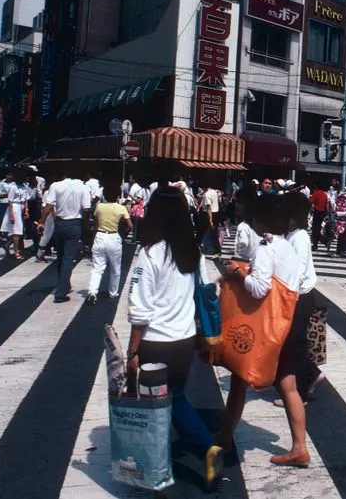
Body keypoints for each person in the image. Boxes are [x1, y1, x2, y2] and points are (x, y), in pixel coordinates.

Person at [125, 186, 223, 491]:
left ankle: (157, 474)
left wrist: (131, 352)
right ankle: (206, 447)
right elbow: (207, 290)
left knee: (155, 410)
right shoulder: (193, 251)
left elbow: (141, 310)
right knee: (176, 397)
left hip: (156, 341)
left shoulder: (150, 253)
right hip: (185, 341)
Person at [217, 194, 305, 467]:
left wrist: (238, 272)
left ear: (261, 220)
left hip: (265, 326)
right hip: (287, 321)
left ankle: (224, 437)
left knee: (239, 381)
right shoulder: (287, 246)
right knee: (288, 386)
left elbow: (259, 288)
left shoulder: (265, 247)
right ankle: (299, 447)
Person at [277, 192, 326, 403]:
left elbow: (296, 271)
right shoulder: (293, 235)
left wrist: (287, 300)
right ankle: (311, 376)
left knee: (295, 344)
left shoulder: (300, 238)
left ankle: (303, 389)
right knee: (294, 343)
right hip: (297, 295)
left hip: (299, 297)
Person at [40, 175, 91, 303]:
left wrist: (41, 221)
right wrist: (85, 225)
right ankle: (61, 293)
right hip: (74, 223)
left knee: (61, 257)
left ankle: (64, 284)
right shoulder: (83, 187)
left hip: (59, 223)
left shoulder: (55, 185)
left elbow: (48, 205)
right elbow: (86, 209)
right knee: (68, 258)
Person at [85, 193, 131, 305]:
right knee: (115, 268)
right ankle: (113, 292)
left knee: (97, 268)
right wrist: (123, 233)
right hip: (113, 236)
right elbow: (130, 225)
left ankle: (92, 291)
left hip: (100, 235)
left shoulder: (99, 206)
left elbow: (96, 223)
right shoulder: (121, 208)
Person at [0, 172, 31, 259]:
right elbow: (10, 201)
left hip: (21, 207)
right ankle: (16, 251)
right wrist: (11, 214)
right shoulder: (13, 187)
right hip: (15, 207)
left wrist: (26, 210)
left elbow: (26, 200)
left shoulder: (24, 187)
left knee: (19, 231)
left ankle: (7, 245)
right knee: (17, 231)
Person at [199, 183, 222, 256]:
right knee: (213, 232)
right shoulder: (215, 192)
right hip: (216, 212)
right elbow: (219, 201)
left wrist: (210, 220)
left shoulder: (207, 194)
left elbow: (209, 208)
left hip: (209, 214)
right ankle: (216, 249)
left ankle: (215, 249)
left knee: (207, 231)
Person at [308, 184, 329, 250]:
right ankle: (315, 245)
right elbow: (327, 205)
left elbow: (310, 202)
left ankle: (325, 241)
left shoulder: (315, 193)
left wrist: (310, 209)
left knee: (315, 230)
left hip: (317, 212)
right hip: (323, 213)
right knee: (317, 229)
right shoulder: (325, 194)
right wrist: (327, 214)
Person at [0, 171, 13, 235]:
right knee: (1, 218)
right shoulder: (1, 184)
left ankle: (8, 232)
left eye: (11, 175)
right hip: (2, 203)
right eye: (8, 175)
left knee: (9, 218)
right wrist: (9, 194)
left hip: (11, 203)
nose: (10, 177)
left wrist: (5, 194)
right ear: (6, 176)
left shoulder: (14, 184)